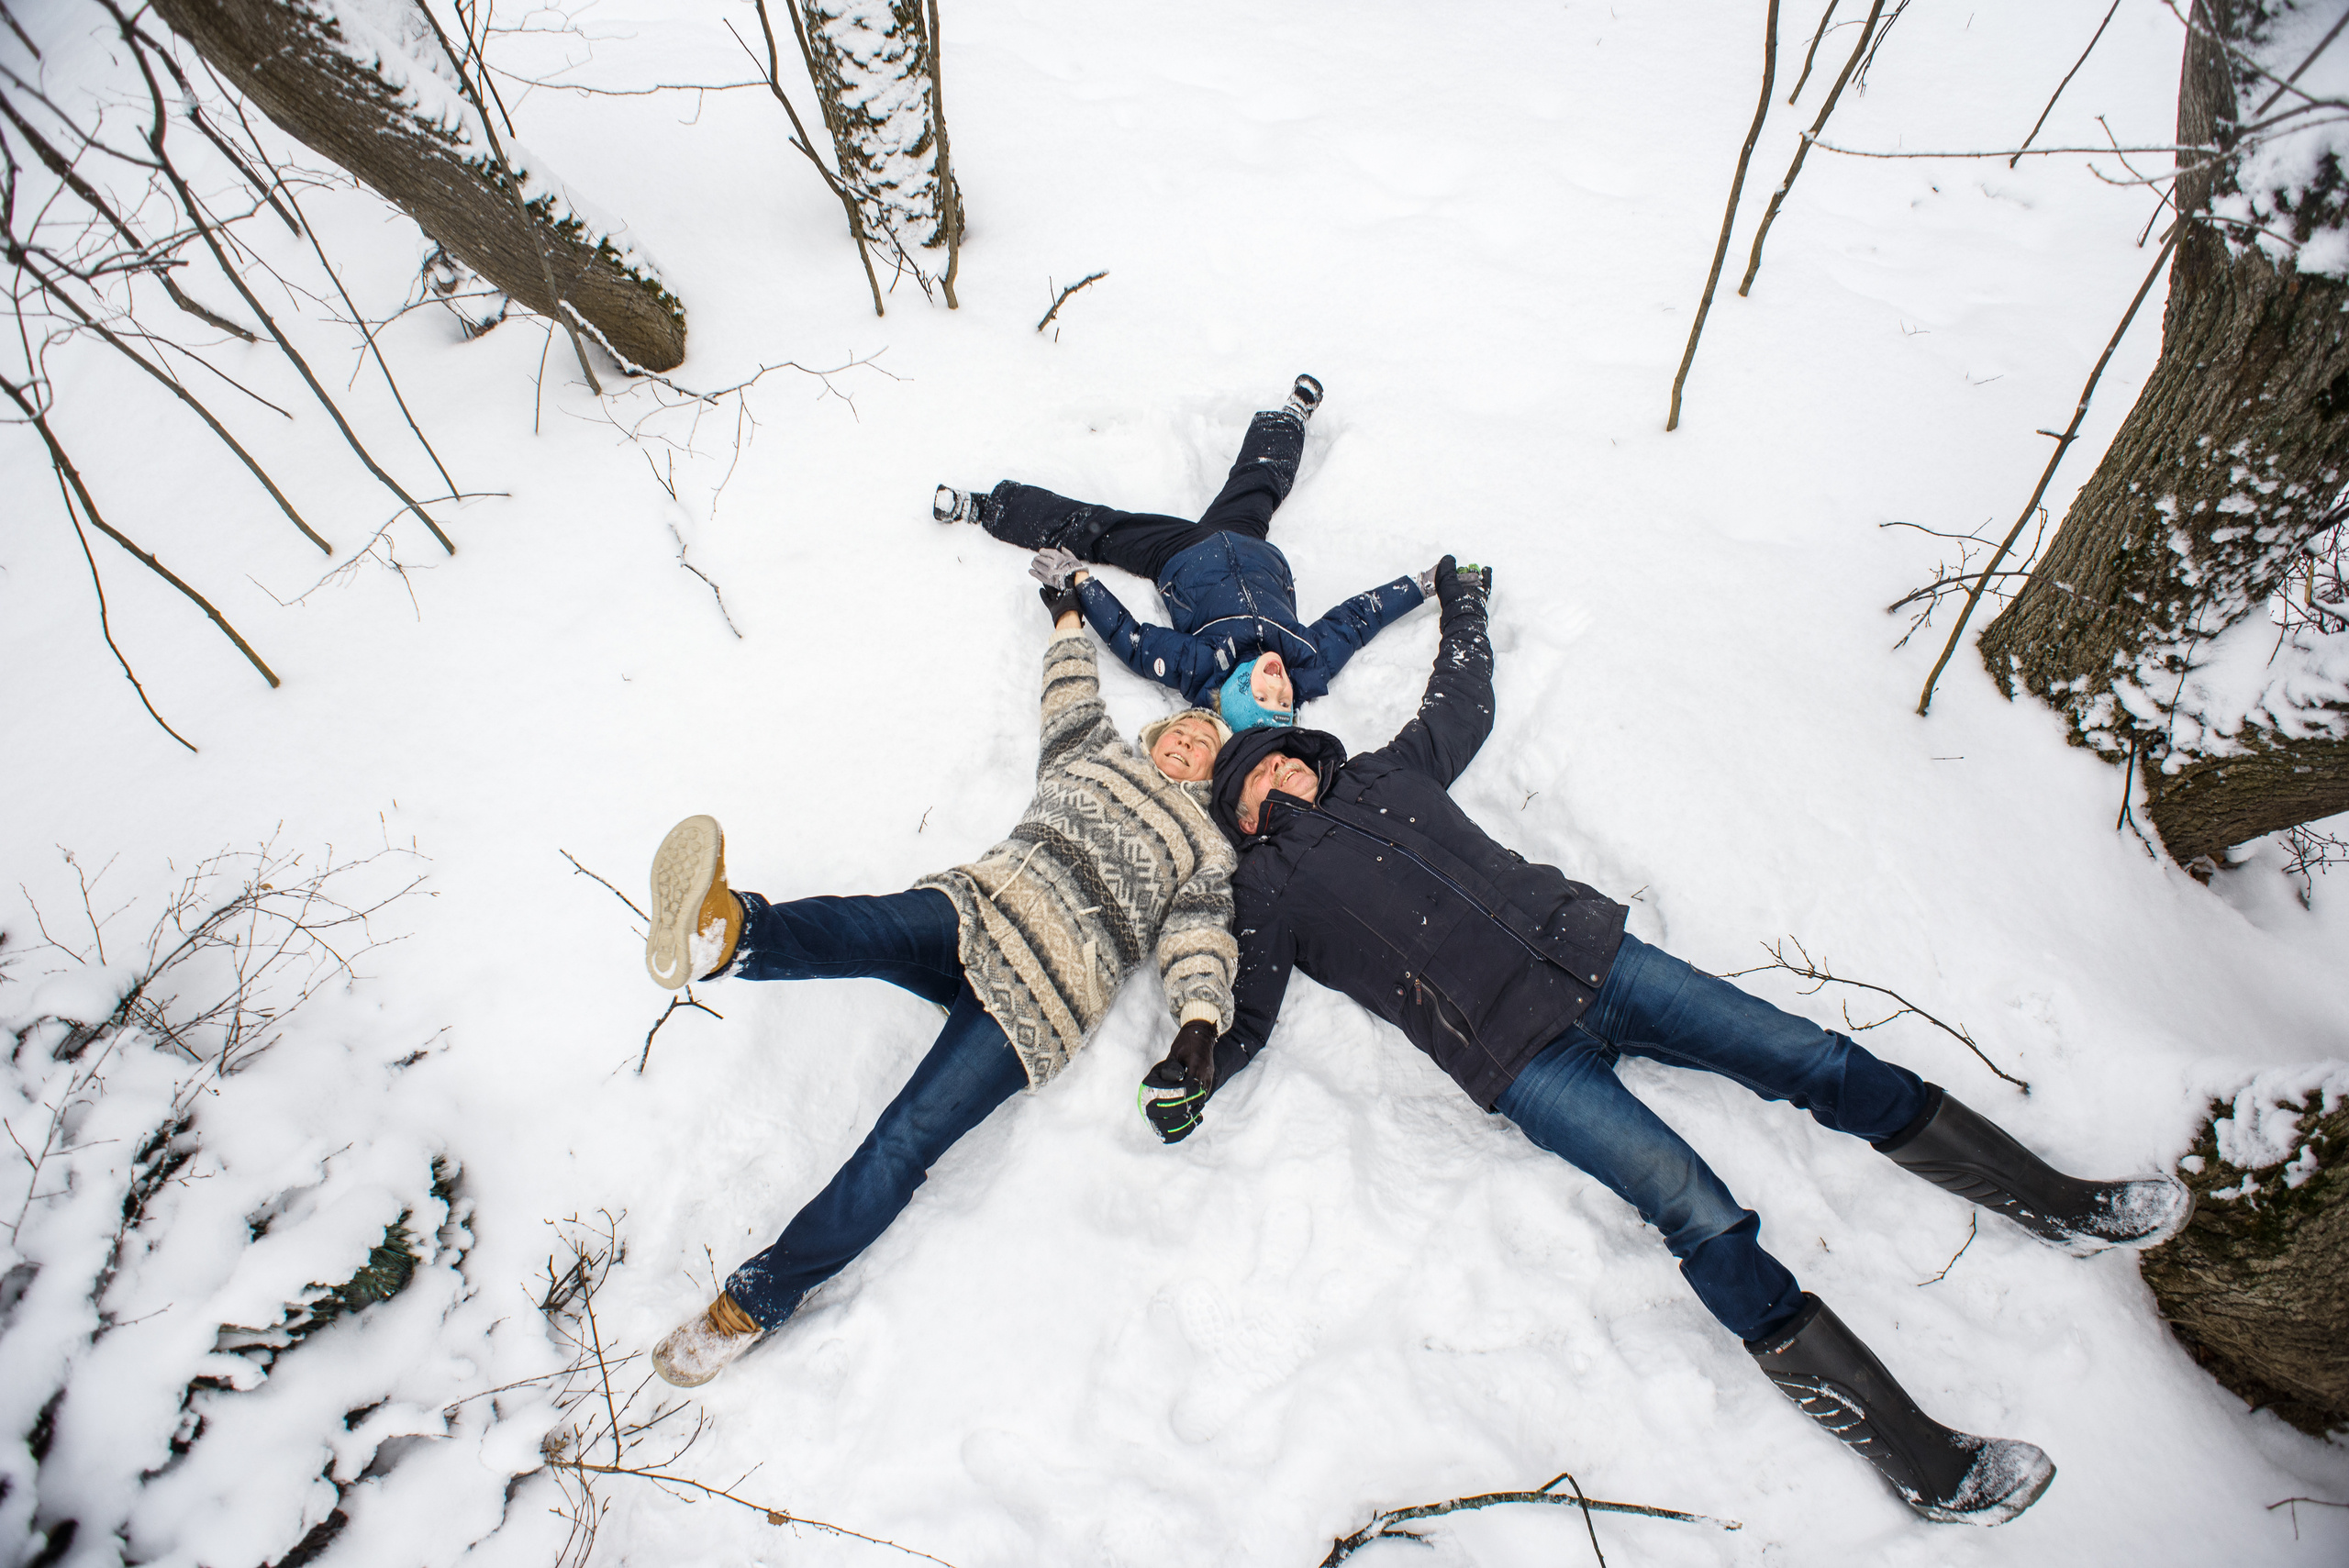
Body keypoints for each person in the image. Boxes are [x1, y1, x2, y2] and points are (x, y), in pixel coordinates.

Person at [1142, 557, 2194, 1527]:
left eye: (1276, 765)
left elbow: (1460, 705)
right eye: (1249, 790)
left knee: (1812, 1059)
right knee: (1696, 1211)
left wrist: (1462, 608)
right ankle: (1919, 1455)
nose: (1271, 783)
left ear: (1301, 754)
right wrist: (1201, 1064)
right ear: (1238, 816)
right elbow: (1248, 1006)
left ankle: (2058, 1203)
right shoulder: (1266, 889)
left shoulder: (1389, 773)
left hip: (1600, 960)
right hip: (1520, 1059)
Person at [640, 583, 1239, 1387]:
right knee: (870, 924)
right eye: (1184, 730)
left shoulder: (1203, 842)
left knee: (903, 1139)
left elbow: (1201, 933)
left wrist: (1199, 1022)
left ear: (1211, 769)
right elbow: (1070, 688)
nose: (1190, 743)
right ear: (1158, 732)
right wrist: (1067, 613)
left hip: (1041, 996)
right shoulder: (1092, 751)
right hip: (976, 905)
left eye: (1206, 744)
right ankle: (727, 931)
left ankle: (749, 1304)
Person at [934, 375, 1435, 732]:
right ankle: (1291, 417)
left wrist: (1081, 581)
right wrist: (1421, 584)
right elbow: (1356, 620)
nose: (1278, 688)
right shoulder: (1308, 661)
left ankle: (986, 507)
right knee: (1257, 485)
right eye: (1283, 703)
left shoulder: (1199, 667)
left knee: (1097, 527)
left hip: (1177, 556)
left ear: (1237, 690)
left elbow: (1130, 640)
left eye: (1262, 697)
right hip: (1250, 547)